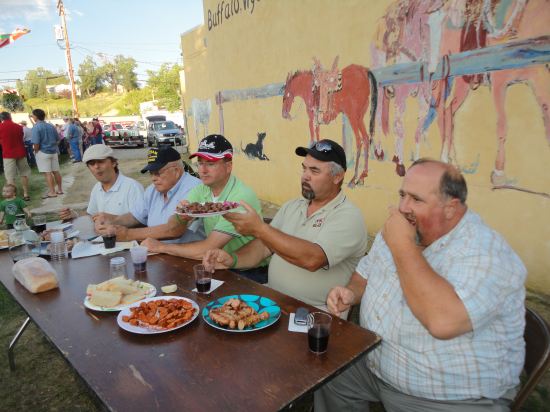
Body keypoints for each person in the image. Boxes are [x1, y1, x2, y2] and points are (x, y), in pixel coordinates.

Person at [315, 159, 527, 412]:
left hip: (448, 394)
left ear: (451, 207)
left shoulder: (487, 254)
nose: (404, 207)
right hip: (376, 363)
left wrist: (402, 244)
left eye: (416, 199)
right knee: (330, 376)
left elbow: (442, 322)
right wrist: (351, 293)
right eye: (402, 195)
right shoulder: (404, 229)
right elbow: (364, 276)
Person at [202, 139, 368, 303]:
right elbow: (263, 247)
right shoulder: (292, 206)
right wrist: (232, 259)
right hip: (273, 300)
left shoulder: (348, 216)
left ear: (337, 177)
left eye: (315, 171)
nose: (305, 176)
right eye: (304, 169)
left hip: (315, 314)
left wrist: (259, 229)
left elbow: (312, 259)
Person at [141, 134, 269, 283]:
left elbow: (207, 248)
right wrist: (181, 217)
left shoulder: (240, 197)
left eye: (210, 163)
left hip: (249, 271)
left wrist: (161, 247)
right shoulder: (202, 189)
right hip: (218, 265)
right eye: (200, 163)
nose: (203, 170)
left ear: (228, 166)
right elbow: (174, 223)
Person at [94, 146, 203, 243]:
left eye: (157, 173)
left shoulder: (194, 188)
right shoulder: (153, 190)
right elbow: (135, 216)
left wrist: (128, 234)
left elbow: (175, 229)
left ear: (176, 171)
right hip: (158, 253)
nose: (153, 178)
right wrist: (111, 220)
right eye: (151, 173)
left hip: (188, 258)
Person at [59, 144, 144, 221]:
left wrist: (114, 219)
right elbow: (91, 215)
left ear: (113, 163)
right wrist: (75, 215)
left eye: (101, 161)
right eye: (92, 164)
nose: (96, 166)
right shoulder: (97, 188)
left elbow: (142, 220)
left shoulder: (132, 187)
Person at [30, 108, 63, 198]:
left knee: (47, 173)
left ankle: (52, 192)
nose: (32, 117)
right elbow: (58, 139)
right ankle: (59, 189)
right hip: (53, 151)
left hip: (43, 152)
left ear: (36, 116)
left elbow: (36, 143)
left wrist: (36, 151)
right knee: (56, 171)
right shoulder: (50, 126)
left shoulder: (36, 127)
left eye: (32, 115)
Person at [0, 112, 31, 201]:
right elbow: (21, 137)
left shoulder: (1, 127)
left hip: (8, 153)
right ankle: (26, 194)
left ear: (2, 119)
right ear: (10, 117)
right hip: (21, 152)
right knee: (24, 173)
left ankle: (12, 197)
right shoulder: (19, 127)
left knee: (10, 176)